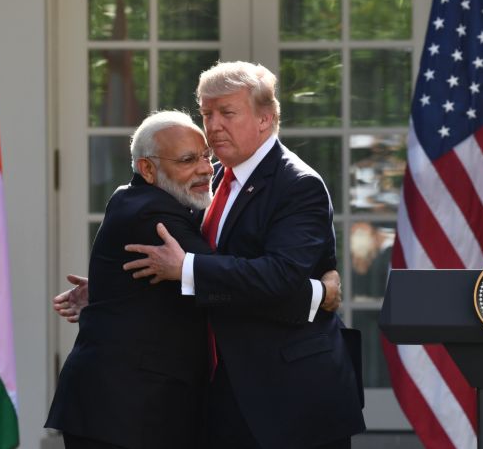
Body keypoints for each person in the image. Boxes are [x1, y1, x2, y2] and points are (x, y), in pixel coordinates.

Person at [45, 111, 341, 449]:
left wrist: (109, 289)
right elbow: (220, 277)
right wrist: (318, 294)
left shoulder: (137, 197)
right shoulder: (152, 214)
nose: (205, 169)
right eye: (188, 160)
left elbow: (183, 282)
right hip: (124, 414)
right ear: (148, 169)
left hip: (126, 408)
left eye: (206, 156)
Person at [123, 61, 366, 449]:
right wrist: (110, 286)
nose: (213, 125)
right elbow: (172, 254)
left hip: (289, 400)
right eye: (206, 113)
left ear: (265, 119)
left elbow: (280, 276)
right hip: (221, 391)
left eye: (227, 113)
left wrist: (186, 268)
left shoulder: (298, 185)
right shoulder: (211, 176)